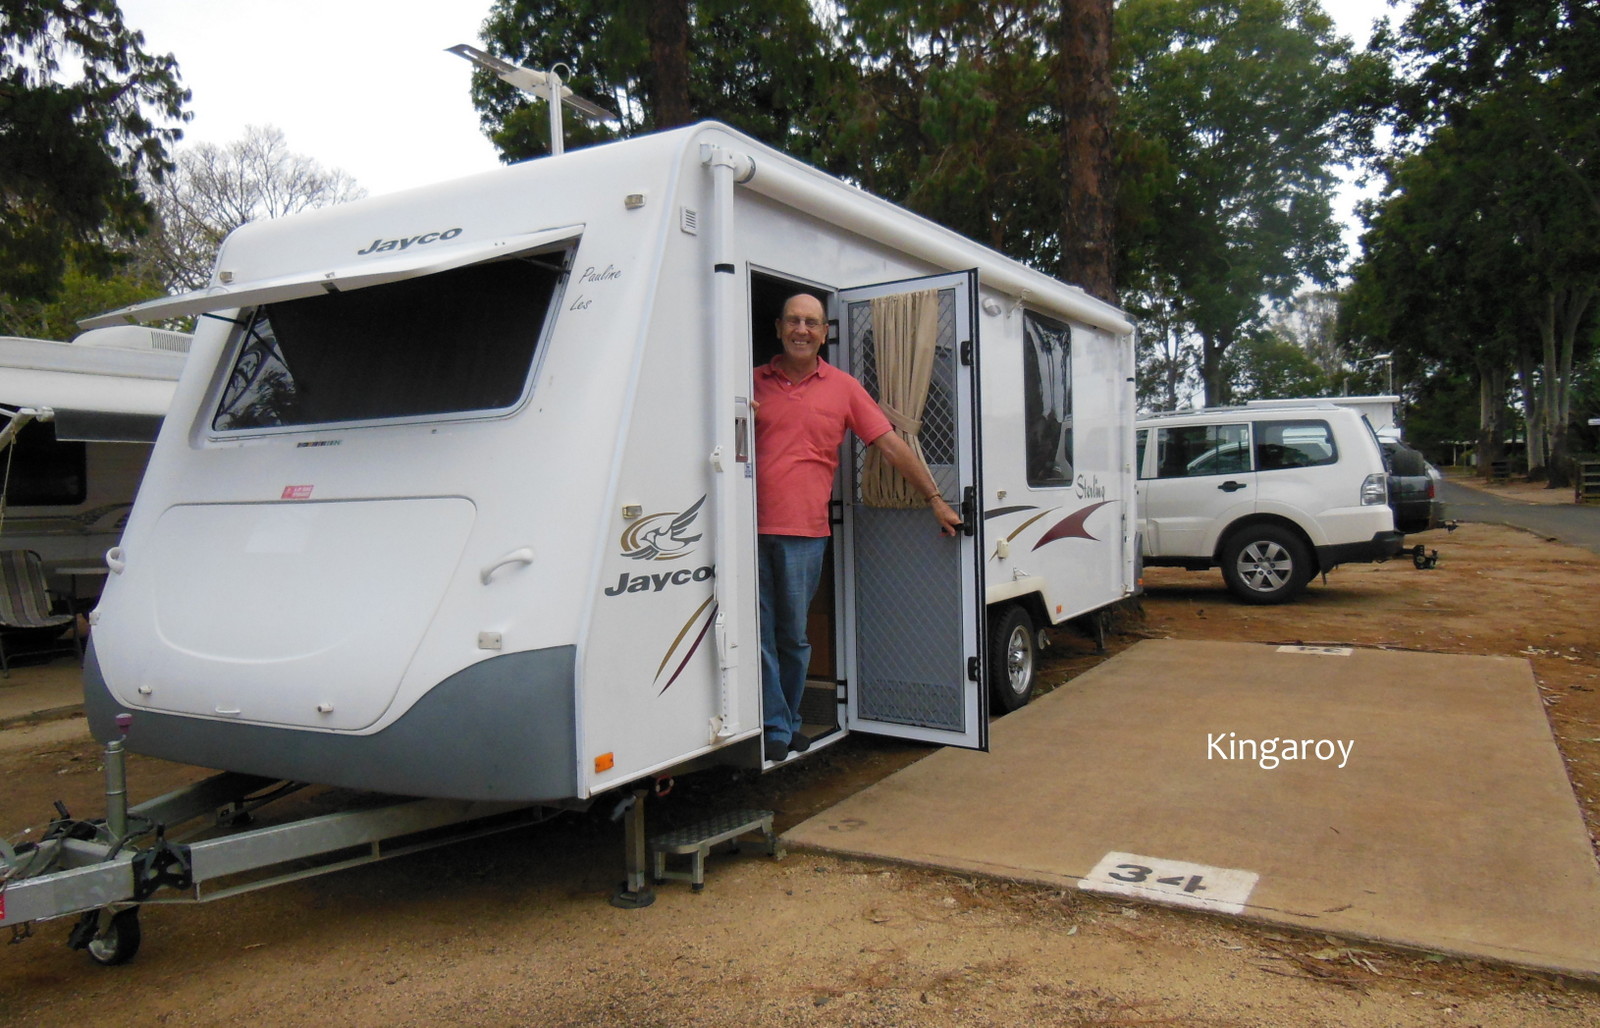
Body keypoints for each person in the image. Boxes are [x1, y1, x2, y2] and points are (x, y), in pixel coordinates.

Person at [754, 293, 963, 763]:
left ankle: (785, 722)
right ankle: (776, 725)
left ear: (825, 332)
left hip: (804, 533)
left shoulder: (844, 388)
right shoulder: (749, 385)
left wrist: (934, 499)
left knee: (792, 636)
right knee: (758, 636)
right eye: (793, 321)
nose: (801, 330)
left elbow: (890, 445)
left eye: (811, 322)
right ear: (778, 327)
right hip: (744, 533)